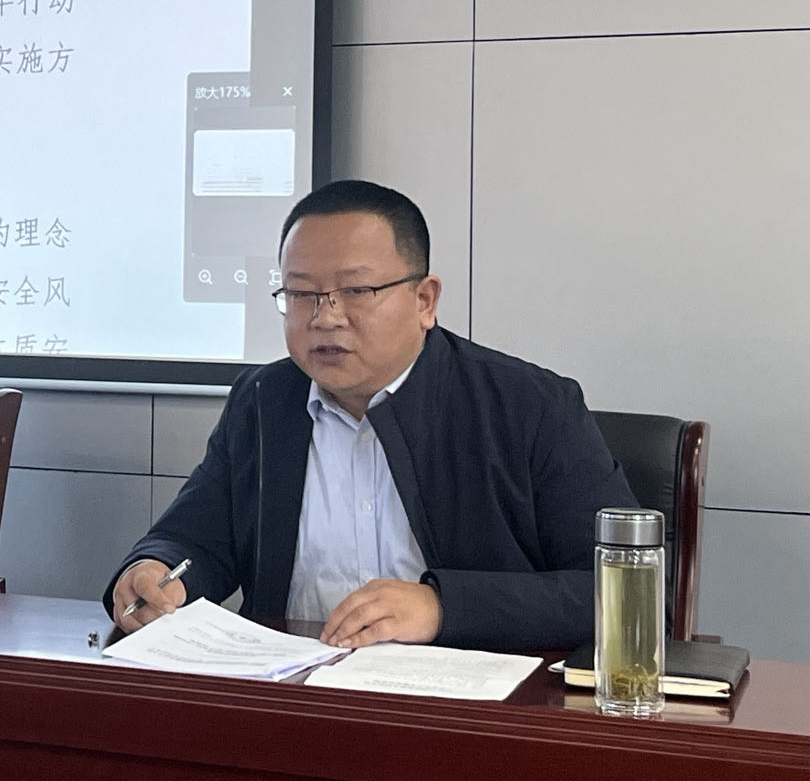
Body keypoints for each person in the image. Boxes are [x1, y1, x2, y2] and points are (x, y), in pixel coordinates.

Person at [104, 180, 637, 652]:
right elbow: (195, 539)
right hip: (296, 694)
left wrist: (443, 607)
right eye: (301, 293)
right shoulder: (264, 401)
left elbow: (620, 590)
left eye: (356, 291)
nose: (325, 317)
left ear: (425, 300)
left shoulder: (530, 407)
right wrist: (154, 570)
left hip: (465, 707)